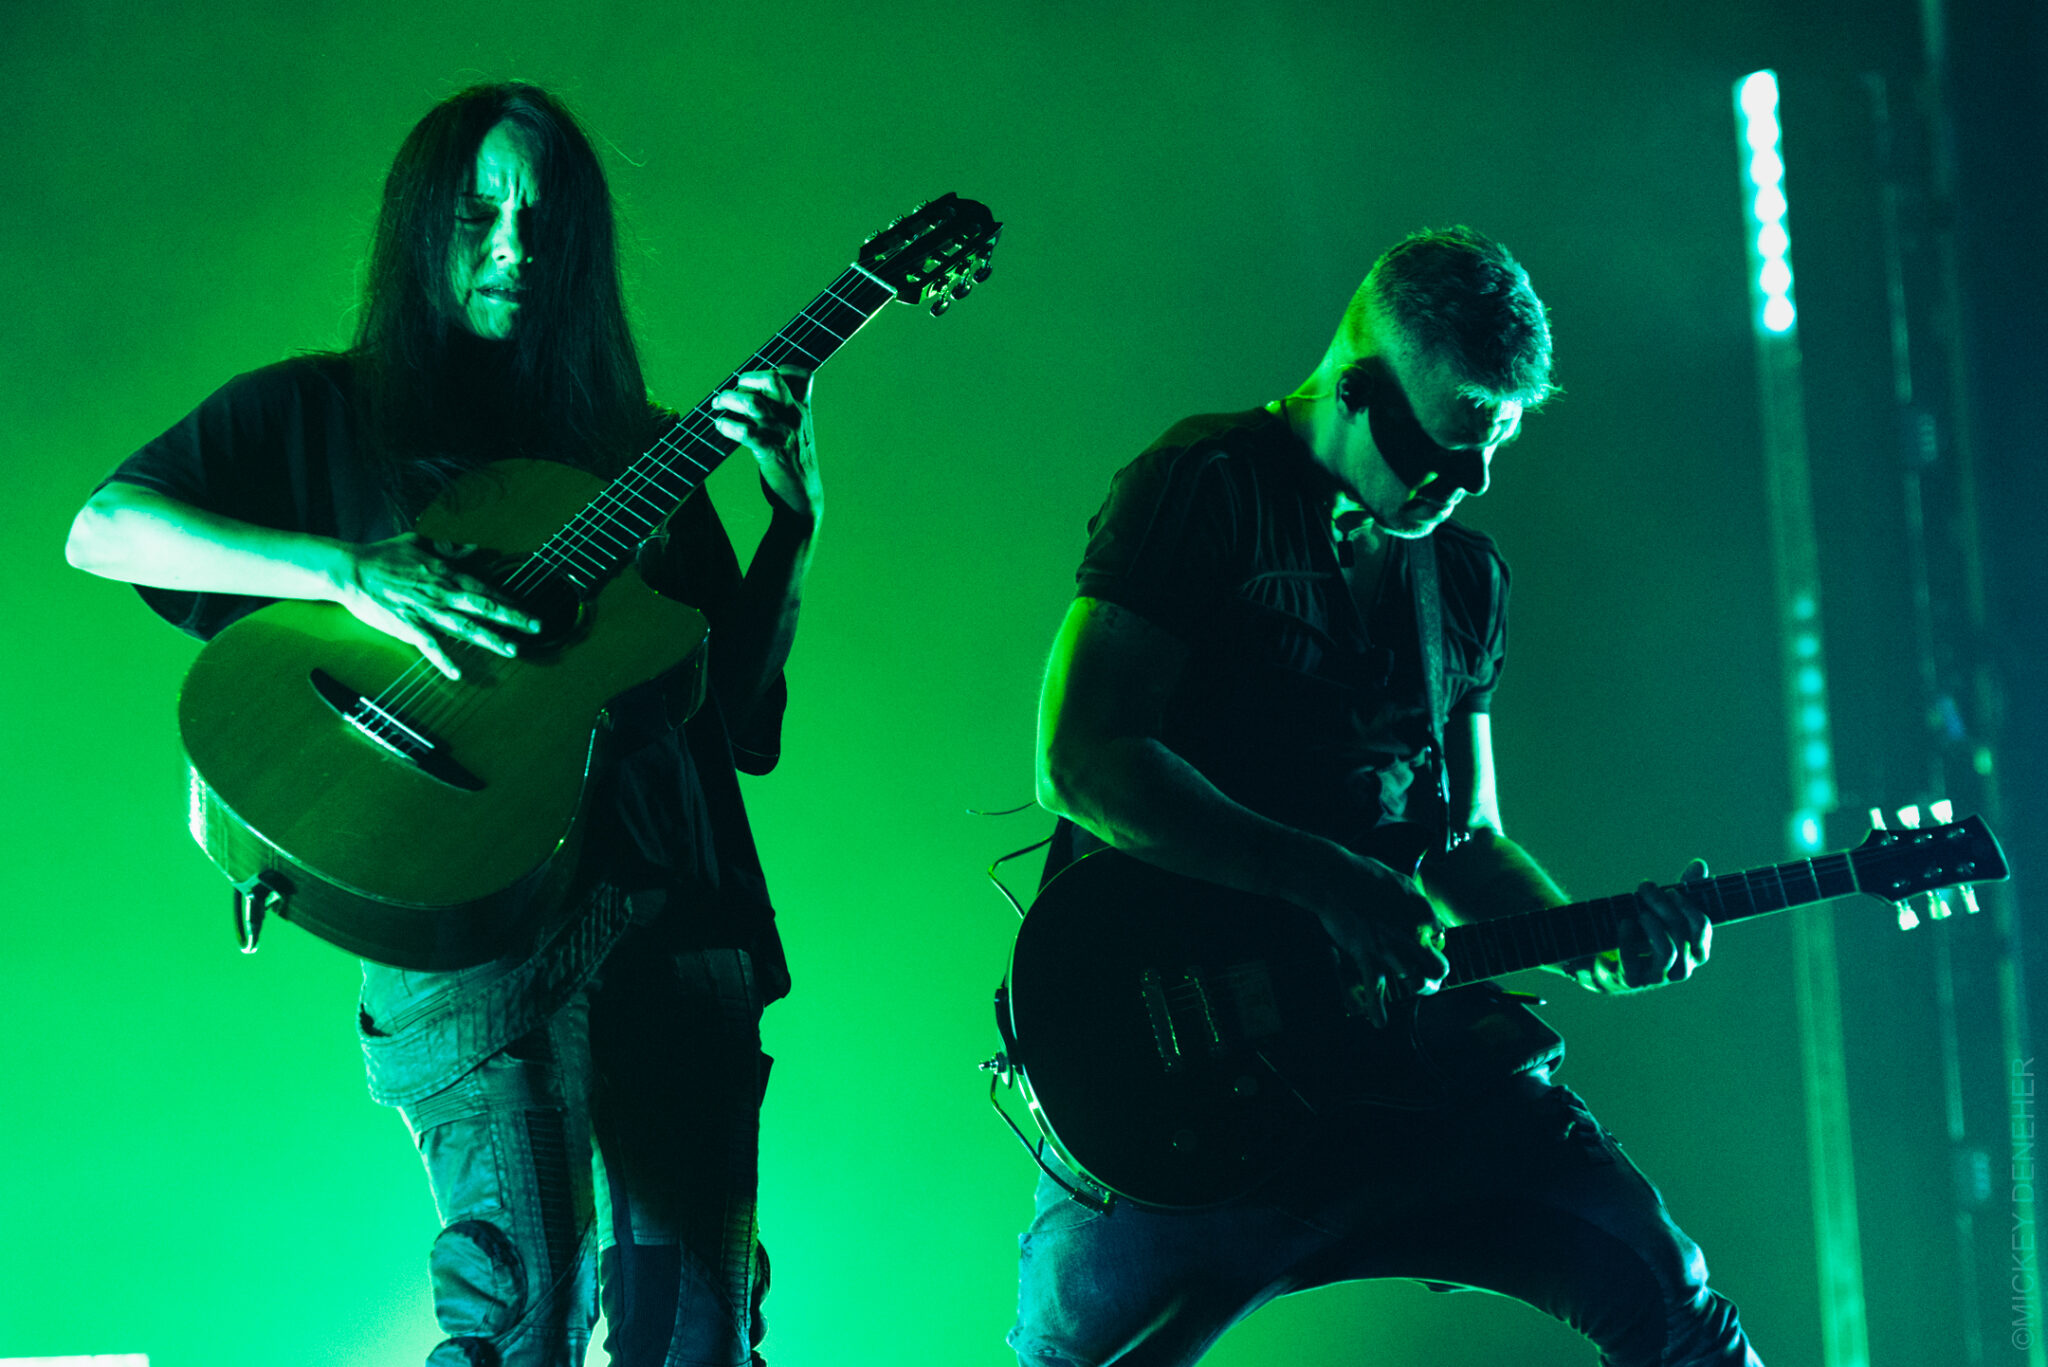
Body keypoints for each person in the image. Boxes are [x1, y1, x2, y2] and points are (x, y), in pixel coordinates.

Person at [65, 83, 818, 1367]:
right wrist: (355, 573)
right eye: (478, 214)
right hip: (474, 921)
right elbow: (103, 527)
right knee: (519, 1315)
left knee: (690, 1339)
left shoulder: (643, 453)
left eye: (544, 221)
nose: (515, 247)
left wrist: (791, 524)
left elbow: (735, 720)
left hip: (679, 921)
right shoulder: (321, 408)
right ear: (423, 224)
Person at [1013, 226, 1763, 1366]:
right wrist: (1323, 878)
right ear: (1358, 390)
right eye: (1451, 443)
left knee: (1670, 1301)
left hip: (1397, 1057)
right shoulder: (1199, 486)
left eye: (1498, 446)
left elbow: (1464, 837)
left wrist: (1595, 939)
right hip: (1181, 1057)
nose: (1470, 481)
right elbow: (1083, 760)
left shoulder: (1462, 578)